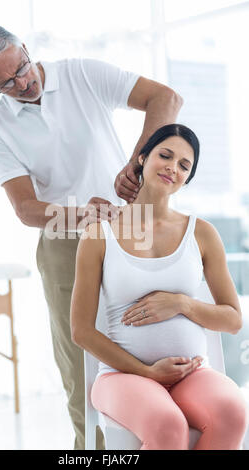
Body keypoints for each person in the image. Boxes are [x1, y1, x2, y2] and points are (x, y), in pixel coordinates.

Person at [0, 25, 183, 450]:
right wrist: (83, 214)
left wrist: (137, 166)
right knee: (80, 365)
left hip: (129, 232)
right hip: (64, 242)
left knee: (149, 345)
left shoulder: (81, 73)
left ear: (26, 50)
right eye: (5, 84)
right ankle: (92, 453)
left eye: (22, 69)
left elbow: (166, 99)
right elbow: (26, 209)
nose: (22, 84)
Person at [70, 123, 249, 450]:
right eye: (165, 155)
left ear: (188, 178)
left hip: (192, 375)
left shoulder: (202, 233)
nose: (173, 167)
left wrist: (182, 303)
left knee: (233, 412)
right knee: (167, 425)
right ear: (142, 158)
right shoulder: (99, 234)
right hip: (121, 377)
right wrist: (148, 372)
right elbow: (81, 331)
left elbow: (233, 319)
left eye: (184, 165)